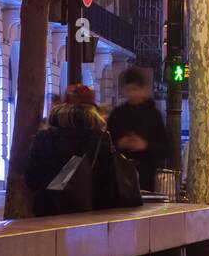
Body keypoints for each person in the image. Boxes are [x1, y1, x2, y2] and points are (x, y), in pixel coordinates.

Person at [25, 87, 141, 217]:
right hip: (90, 211)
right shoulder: (99, 140)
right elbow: (110, 182)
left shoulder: (43, 139)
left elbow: (32, 180)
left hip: (48, 210)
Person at [106, 67, 170, 192]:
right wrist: (120, 143)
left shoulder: (153, 115)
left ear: (143, 89)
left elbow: (165, 149)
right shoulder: (117, 114)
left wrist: (145, 145)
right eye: (128, 90)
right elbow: (106, 144)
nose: (132, 94)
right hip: (120, 177)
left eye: (135, 89)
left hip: (146, 177)